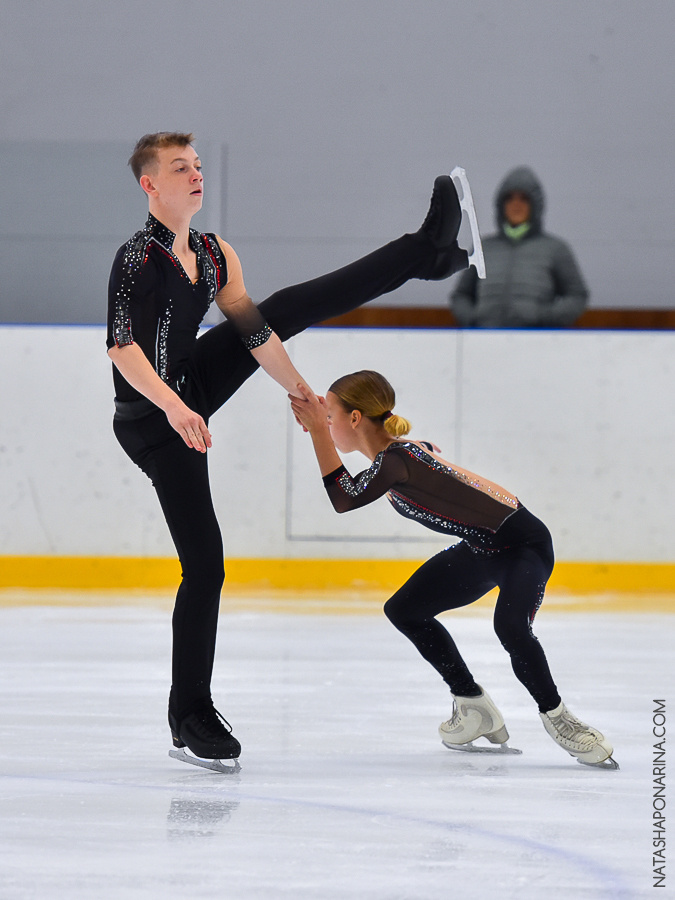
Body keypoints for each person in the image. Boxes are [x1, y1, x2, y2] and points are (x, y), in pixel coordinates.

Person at [106, 131, 481, 770]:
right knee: (206, 564)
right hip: (151, 417)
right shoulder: (136, 258)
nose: (195, 175)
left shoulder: (213, 252)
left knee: (280, 308)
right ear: (150, 184)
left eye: (197, 166)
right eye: (179, 168)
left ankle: (424, 252)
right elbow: (122, 349)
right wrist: (177, 409)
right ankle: (189, 711)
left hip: (192, 383)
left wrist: (302, 391)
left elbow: (253, 330)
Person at [289, 371, 617, 768]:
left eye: (331, 417)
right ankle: (471, 702)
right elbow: (417, 454)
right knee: (404, 610)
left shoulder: (396, 460)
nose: (326, 424)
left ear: (355, 419)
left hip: (523, 547)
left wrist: (316, 434)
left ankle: (560, 718)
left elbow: (345, 498)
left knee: (510, 628)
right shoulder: (399, 454)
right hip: (482, 548)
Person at [450, 166, 589, 327]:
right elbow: (461, 295)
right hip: (486, 339)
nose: (516, 204)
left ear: (536, 205)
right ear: (501, 204)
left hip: (535, 342)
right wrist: (473, 318)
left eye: (524, 198)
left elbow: (577, 295)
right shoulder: (483, 248)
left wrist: (546, 317)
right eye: (510, 198)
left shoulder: (555, 249)